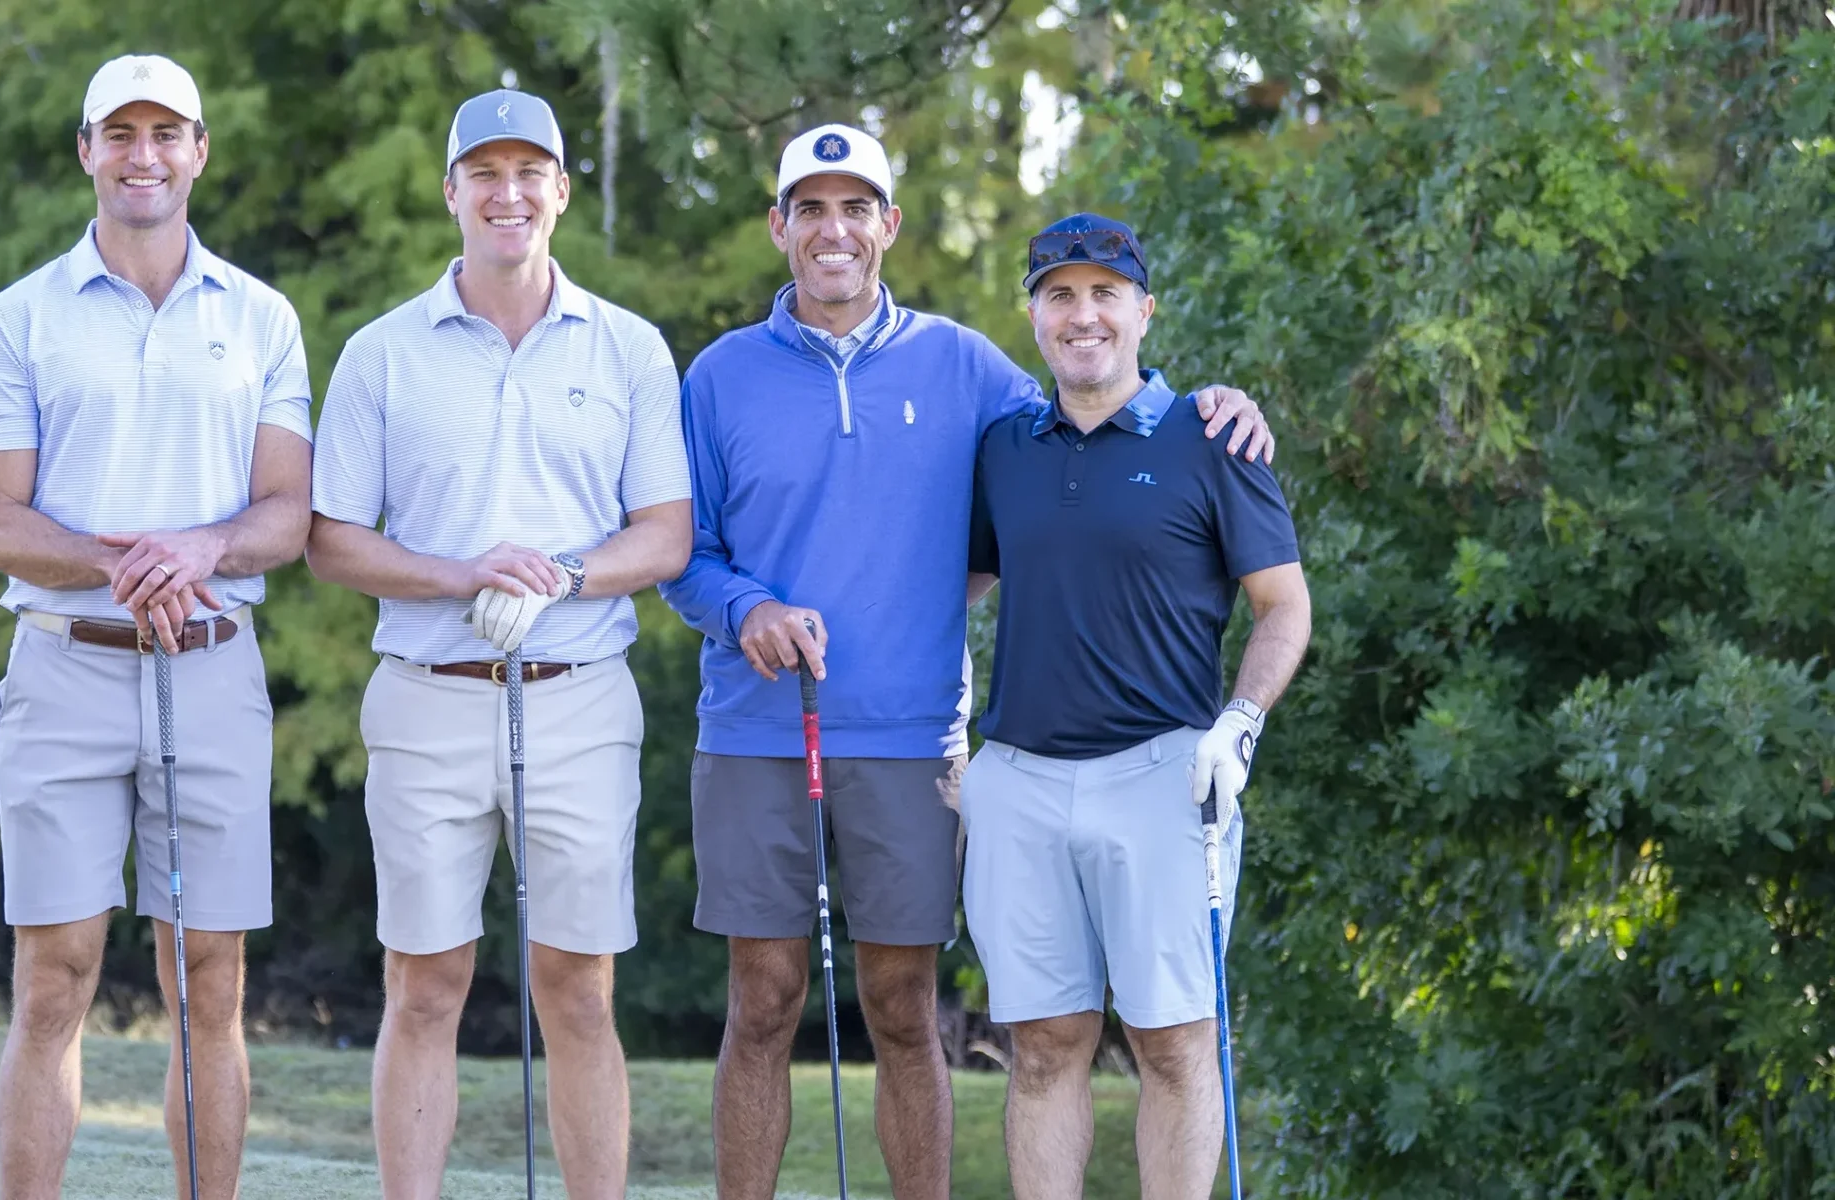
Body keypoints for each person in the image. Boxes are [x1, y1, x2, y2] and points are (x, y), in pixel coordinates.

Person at [658, 129, 1275, 1200]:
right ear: (780, 228)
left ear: (890, 226)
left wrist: (1207, 403)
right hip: (760, 731)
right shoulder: (718, 378)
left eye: (858, 208)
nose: (834, 229)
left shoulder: (964, 366)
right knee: (761, 1001)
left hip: (913, 743)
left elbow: (1089, 421)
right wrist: (745, 605)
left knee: (903, 1007)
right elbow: (681, 557)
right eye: (811, 208)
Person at [303, 89, 693, 1200]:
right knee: (426, 983)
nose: (507, 193)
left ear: (562, 191)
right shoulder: (383, 354)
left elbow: (665, 535)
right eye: (485, 172)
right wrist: (461, 576)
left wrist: (562, 574)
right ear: (451, 193)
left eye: (531, 172)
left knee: (578, 987)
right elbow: (332, 540)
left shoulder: (629, 348)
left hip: (579, 694)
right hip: (428, 693)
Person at [0, 53, 314, 1200]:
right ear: (87, 152)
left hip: (210, 669)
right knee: (54, 978)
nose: (144, 155)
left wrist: (198, 552)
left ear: (201, 151)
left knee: (209, 978)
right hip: (65, 671)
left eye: (168, 133)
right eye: (122, 134)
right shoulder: (20, 320)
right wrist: (129, 563)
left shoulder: (261, 316)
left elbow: (288, 511)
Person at [963, 213, 1313, 1200]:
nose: (1083, 316)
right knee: (1042, 1046)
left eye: (1104, 294)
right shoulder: (1003, 448)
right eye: (1059, 295)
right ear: (1032, 314)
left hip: (1166, 778)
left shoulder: (1214, 439)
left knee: (1173, 1043)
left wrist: (1240, 725)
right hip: (1020, 783)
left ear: (1143, 310)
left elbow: (1284, 608)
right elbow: (957, 589)